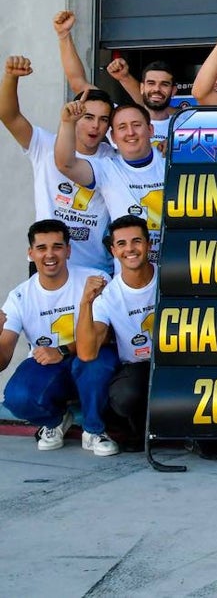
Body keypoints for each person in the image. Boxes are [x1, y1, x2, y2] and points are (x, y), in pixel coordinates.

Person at [0, 220, 118, 455]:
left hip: (87, 358)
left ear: (68, 250)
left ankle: (94, 430)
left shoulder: (94, 278)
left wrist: (63, 350)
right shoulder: (20, 296)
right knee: (15, 397)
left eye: (57, 246)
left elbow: (107, 336)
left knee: (94, 361)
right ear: (30, 253)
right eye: (42, 248)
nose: (50, 254)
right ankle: (55, 421)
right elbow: (3, 358)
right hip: (47, 367)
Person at [1, 56, 115, 273]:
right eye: (88, 117)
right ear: (74, 113)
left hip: (97, 268)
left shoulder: (113, 157)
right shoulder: (44, 144)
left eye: (103, 119)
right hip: (48, 264)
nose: (95, 126)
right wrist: (10, 77)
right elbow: (9, 116)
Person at [75, 214, 156, 449]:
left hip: (177, 363)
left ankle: (199, 437)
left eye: (136, 241)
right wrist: (85, 303)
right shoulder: (108, 295)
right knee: (124, 396)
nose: (130, 249)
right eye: (121, 244)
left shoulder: (169, 276)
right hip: (138, 366)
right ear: (113, 250)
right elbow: (87, 354)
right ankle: (140, 429)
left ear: (149, 244)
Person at [54, 101, 165, 262]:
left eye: (136, 125)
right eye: (122, 127)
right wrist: (67, 123)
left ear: (150, 129)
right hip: (129, 277)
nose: (130, 132)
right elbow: (66, 164)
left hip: (174, 269)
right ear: (113, 137)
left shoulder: (171, 159)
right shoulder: (107, 168)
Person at [106, 59, 177, 153]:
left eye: (164, 84)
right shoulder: (119, 118)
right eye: (151, 83)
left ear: (173, 91)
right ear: (142, 88)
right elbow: (81, 84)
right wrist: (124, 77)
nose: (156, 89)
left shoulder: (185, 124)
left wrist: (176, 142)